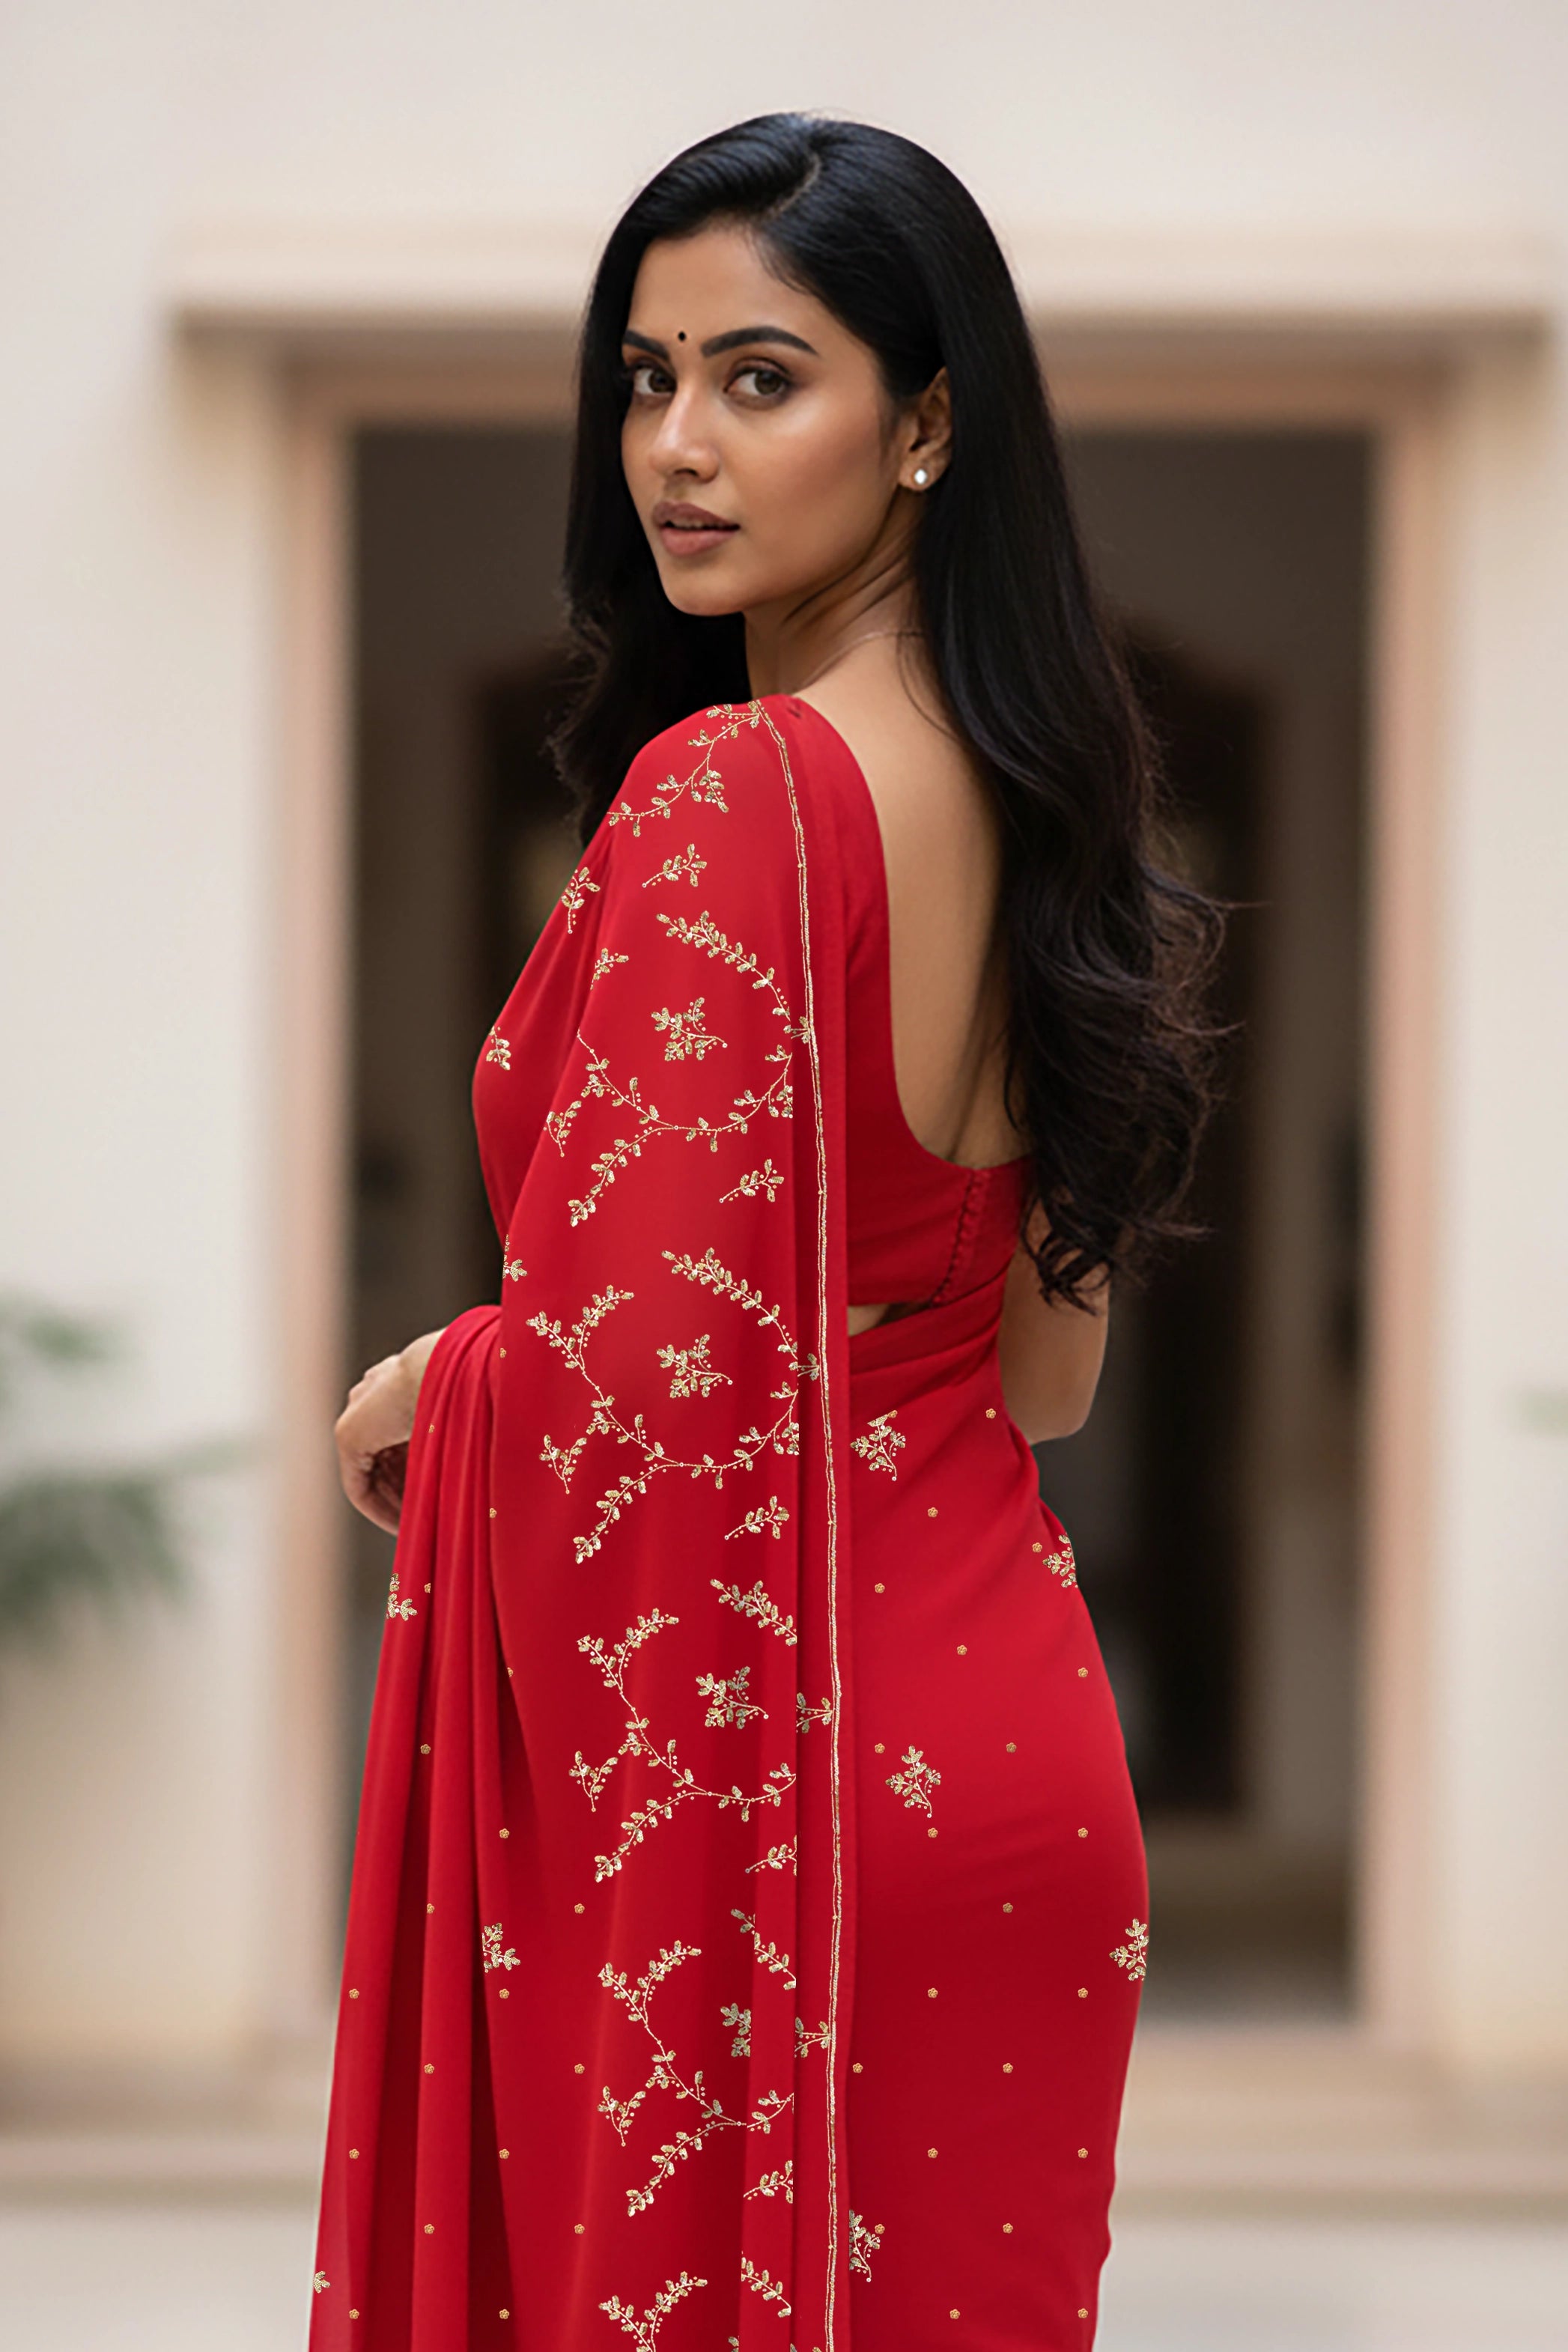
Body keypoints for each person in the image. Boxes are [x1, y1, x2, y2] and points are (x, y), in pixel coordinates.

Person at [314, 113, 1217, 2352]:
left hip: (810, 1799)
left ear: (924, 422)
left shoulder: (735, 794)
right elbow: (1043, 1375)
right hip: (1010, 1765)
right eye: (643, 380)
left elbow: (645, 1395)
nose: (677, 449)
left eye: (758, 376)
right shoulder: (1044, 796)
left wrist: (451, 1380)